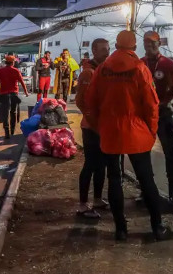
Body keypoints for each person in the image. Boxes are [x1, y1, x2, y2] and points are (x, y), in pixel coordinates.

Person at [86, 30, 170, 242]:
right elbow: (152, 105)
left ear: (116, 45)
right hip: (136, 133)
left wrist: (100, 128)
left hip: (110, 132)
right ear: (134, 47)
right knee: (146, 180)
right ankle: (157, 227)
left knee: (114, 179)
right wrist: (151, 131)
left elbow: (91, 103)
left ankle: (121, 229)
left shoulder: (103, 69)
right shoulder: (140, 68)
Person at [142, 30, 173, 205]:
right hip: (144, 115)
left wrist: (163, 102)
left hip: (163, 113)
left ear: (159, 44)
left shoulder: (168, 64)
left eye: (153, 43)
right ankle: (146, 190)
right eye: (146, 43)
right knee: (142, 153)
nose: (150, 46)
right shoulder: (140, 64)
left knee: (170, 152)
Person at [75, 38, 110, 219]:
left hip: (102, 128)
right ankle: (82, 204)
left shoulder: (104, 70)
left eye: (108, 48)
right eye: (103, 49)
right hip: (91, 128)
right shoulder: (88, 73)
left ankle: (97, 198)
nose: (107, 52)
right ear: (94, 51)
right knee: (90, 164)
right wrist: (92, 121)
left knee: (101, 164)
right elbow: (80, 101)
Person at [0, 55, 29, 139]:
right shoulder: (16, 71)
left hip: (3, 94)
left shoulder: (0, 70)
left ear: (6, 62)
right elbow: (22, 82)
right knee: (13, 112)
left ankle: (7, 132)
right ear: (13, 62)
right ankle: (12, 131)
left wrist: (0, 90)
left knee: (5, 113)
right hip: (14, 94)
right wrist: (26, 92)